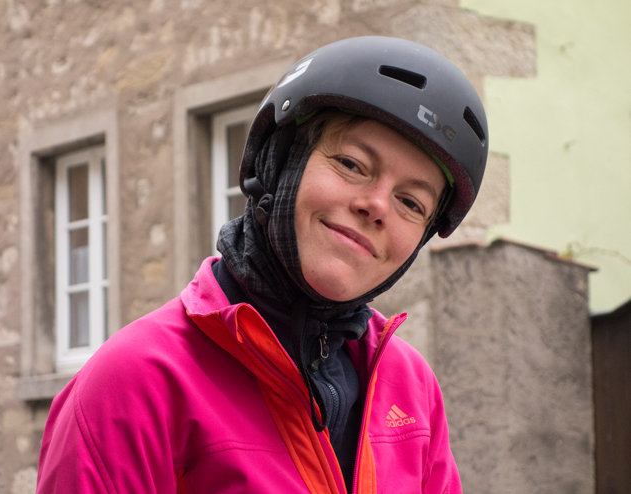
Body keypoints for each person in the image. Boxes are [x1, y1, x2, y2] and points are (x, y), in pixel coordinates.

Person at [36, 36, 488, 493]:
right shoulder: (134, 384)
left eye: (410, 202)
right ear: (276, 162)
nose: (376, 206)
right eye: (351, 164)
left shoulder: (411, 387)